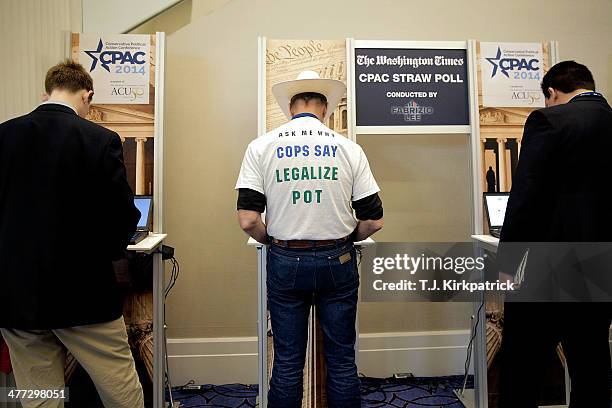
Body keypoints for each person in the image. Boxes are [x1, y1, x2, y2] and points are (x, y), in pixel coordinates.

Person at [0, 60, 144, 408]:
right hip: (83, 294)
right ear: (87, 96)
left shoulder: (3, 135)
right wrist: (110, 252)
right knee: (121, 391)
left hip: (16, 294)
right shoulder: (100, 139)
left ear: (45, 93)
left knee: (39, 395)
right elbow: (122, 216)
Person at [235, 70, 383, 407]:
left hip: (286, 260)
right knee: (342, 361)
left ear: (290, 108)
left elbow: (247, 220)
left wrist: (271, 240)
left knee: (287, 362)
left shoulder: (261, 146)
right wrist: (349, 237)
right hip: (339, 261)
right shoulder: (349, 148)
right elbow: (373, 220)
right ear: (326, 109)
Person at [498, 61, 612, 408]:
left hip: (548, 265)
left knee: (523, 364)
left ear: (552, 92)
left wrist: (508, 263)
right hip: (601, 265)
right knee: (591, 361)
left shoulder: (548, 120)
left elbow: (525, 197)